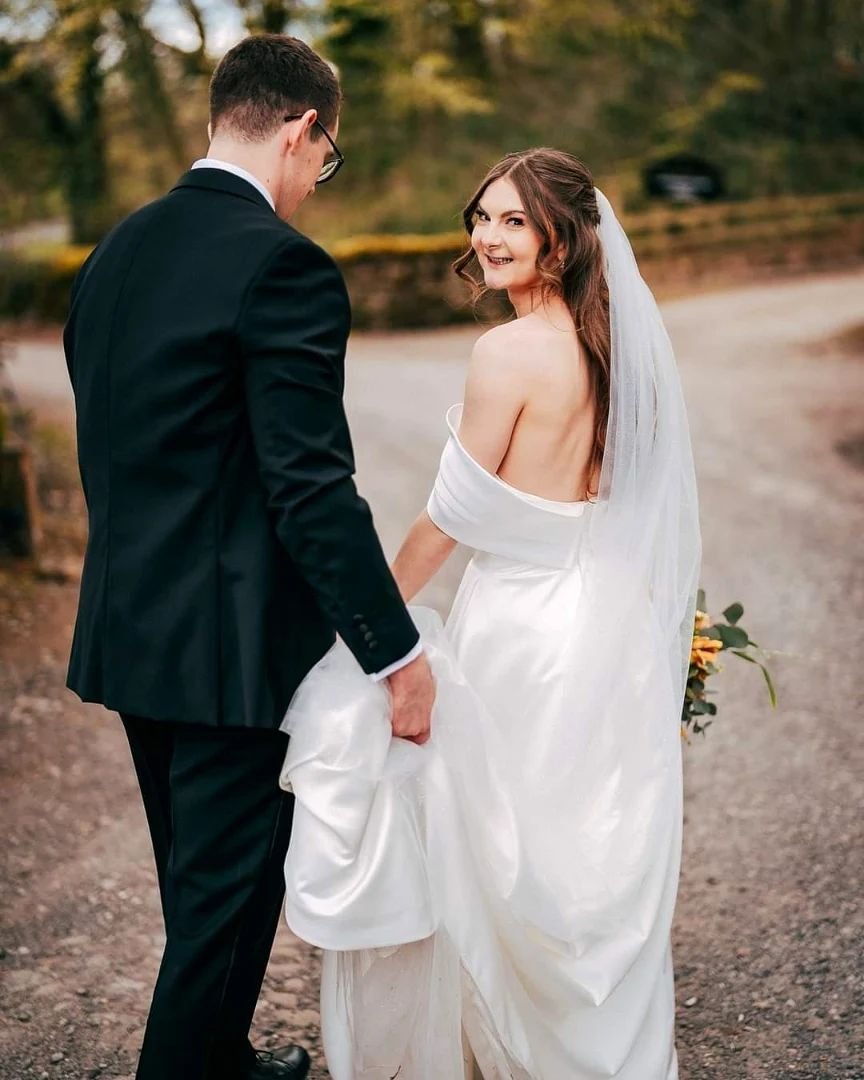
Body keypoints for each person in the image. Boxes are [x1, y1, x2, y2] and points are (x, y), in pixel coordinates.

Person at [279, 149, 702, 1078]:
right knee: (584, 841)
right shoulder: (612, 344)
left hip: (525, 631)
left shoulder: (508, 352)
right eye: (484, 217)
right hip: (607, 621)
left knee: (503, 849)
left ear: (563, 237)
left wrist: (373, 631)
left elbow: (452, 521)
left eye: (515, 221)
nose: (489, 235)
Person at [62, 33, 435, 1080]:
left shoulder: (117, 250)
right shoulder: (284, 265)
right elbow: (310, 487)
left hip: (132, 626)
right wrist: (395, 656)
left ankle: (220, 1056)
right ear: (305, 132)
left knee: (201, 891)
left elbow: (121, 441)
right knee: (222, 916)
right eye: (328, 157)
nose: (320, 181)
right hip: (229, 650)